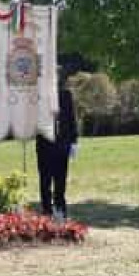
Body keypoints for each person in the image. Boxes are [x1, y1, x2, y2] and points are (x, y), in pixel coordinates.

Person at [36, 79, 79, 221]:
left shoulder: (66, 95)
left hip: (62, 145)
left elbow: (72, 119)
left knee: (61, 180)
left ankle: (60, 209)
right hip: (44, 145)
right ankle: (46, 211)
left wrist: (74, 141)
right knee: (45, 180)